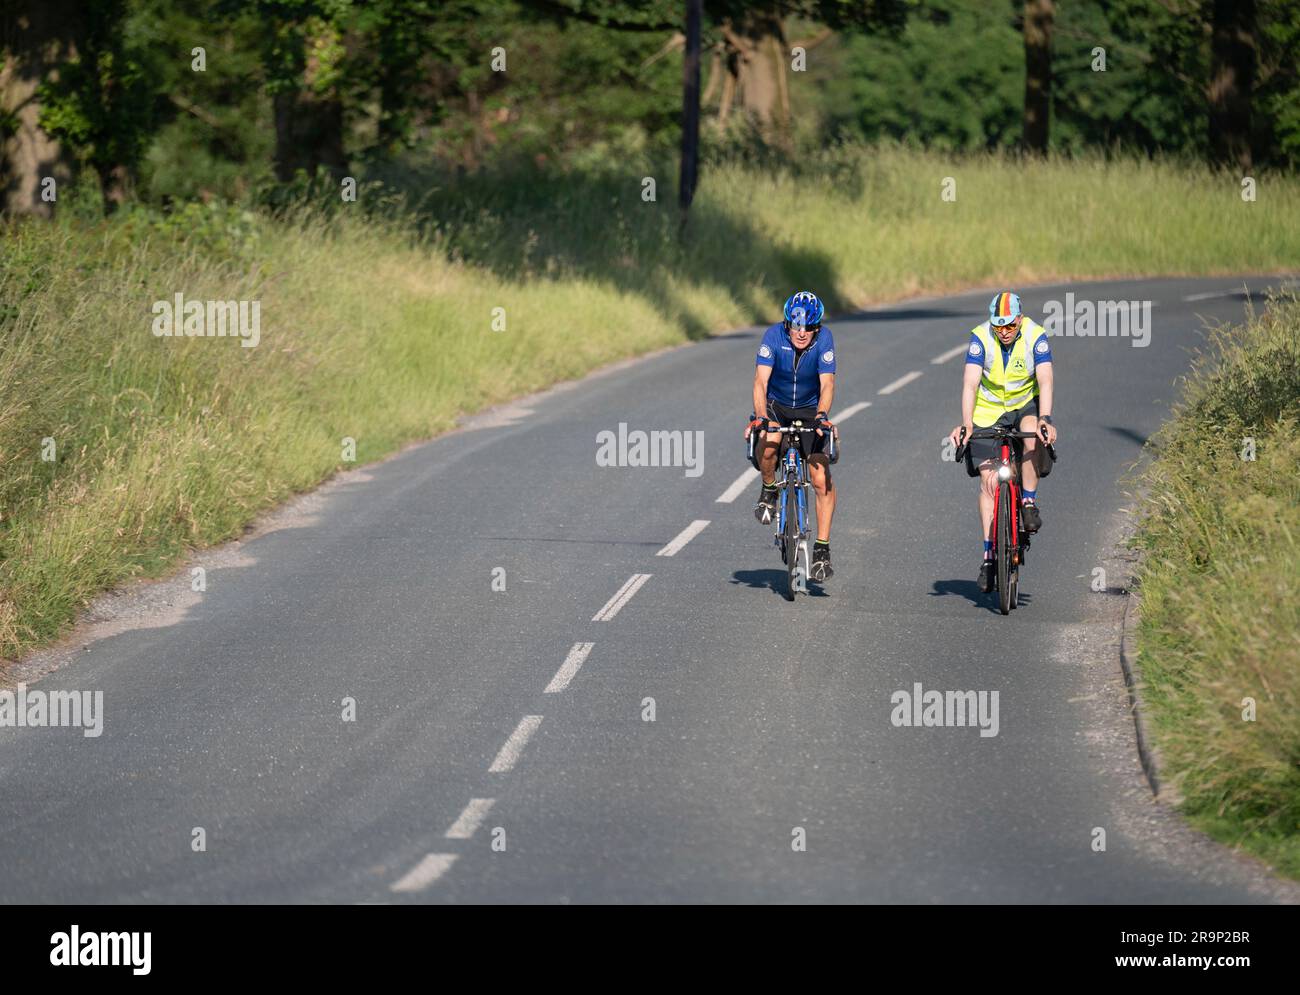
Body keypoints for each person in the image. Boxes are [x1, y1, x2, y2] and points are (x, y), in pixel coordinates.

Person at [947, 291, 1059, 592]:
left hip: (1024, 404)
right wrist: (967, 423)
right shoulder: (980, 338)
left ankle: (1028, 501)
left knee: (1032, 434)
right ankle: (988, 555)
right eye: (999, 326)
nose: (1005, 332)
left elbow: (1045, 379)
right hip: (989, 409)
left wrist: (1046, 418)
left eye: (1010, 325)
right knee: (989, 480)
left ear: (1019, 320)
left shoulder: (1036, 335)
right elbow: (970, 383)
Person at [746, 291, 837, 581]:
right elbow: (760, 381)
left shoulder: (824, 340)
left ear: (817, 327)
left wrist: (822, 416)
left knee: (821, 477)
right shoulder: (773, 336)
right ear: (787, 324)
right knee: (770, 443)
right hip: (776, 406)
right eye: (796, 326)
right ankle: (770, 487)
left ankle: (822, 549)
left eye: (808, 327)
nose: (801, 333)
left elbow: (828, 384)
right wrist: (761, 417)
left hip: (811, 408)